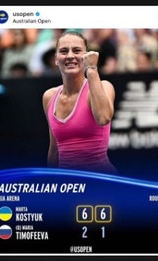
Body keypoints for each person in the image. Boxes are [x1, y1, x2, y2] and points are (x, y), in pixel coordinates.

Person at [42, 30, 117, 174]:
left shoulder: (104, 87)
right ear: (56, 59)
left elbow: (103, 118)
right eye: (64, 51)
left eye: (77, 51)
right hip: (68, 186)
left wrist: (92, 69)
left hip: (102, 182)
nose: (70, 56)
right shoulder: (49, 97)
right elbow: (54, 149)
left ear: (87, 56)